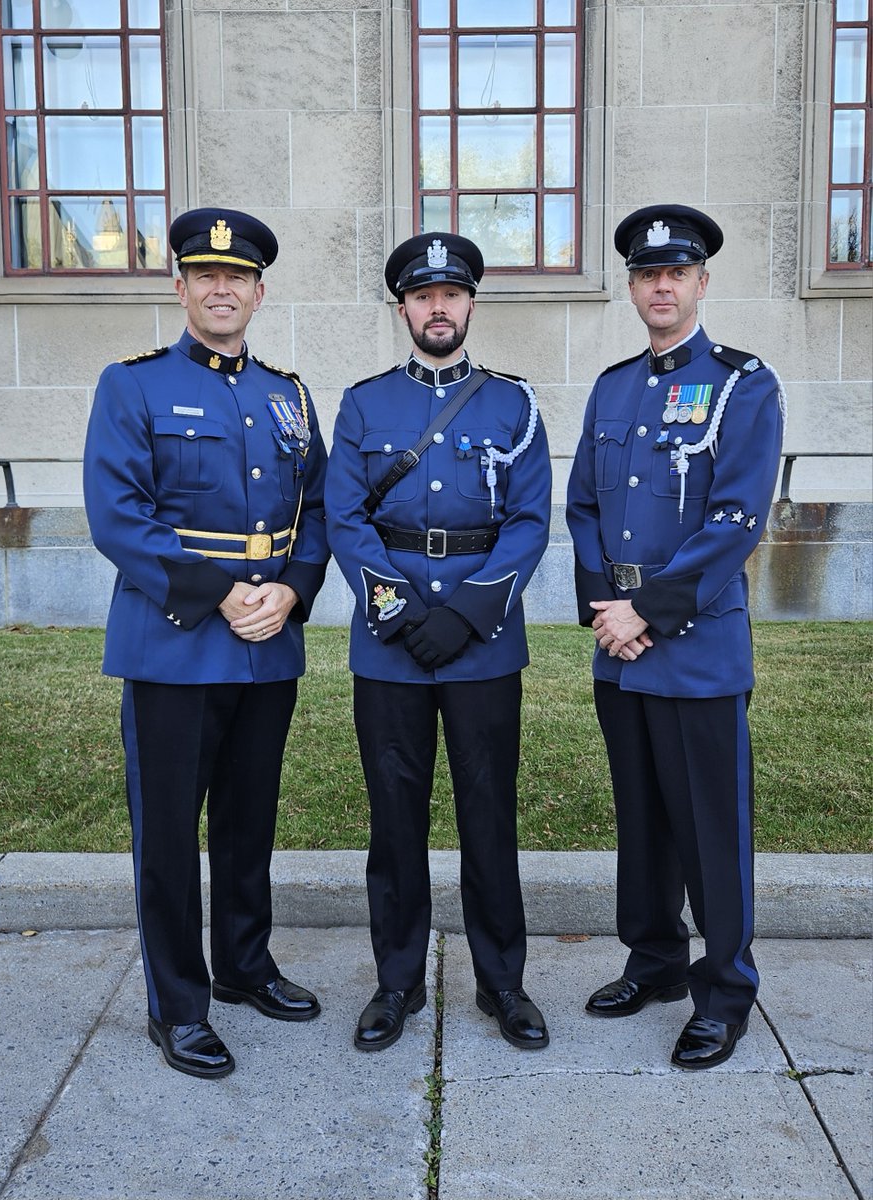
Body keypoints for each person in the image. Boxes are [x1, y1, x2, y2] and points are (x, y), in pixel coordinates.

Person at [83, 208, 329, 1079]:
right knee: (167, 835)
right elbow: (118, 517)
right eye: (206, 276)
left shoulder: (289, 395)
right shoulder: (133, 385)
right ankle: (179, 1007)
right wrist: (223, 593)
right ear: (181, 287)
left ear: (260, 293)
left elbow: (317, 510)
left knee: (248, 821)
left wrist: (292, 591)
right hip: (175, 642)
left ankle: (245, 967)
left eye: (238, 278)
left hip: (267, 643)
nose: (222, 290)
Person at [566, 205, 786, 1069]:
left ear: (701, 283)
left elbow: (736, 519)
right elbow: (584, 505)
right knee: (643, 820)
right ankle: (654, 961)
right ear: (631, 288)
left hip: (693, 648)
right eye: (647, 274)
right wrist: (604, 609)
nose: (661, 287)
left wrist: (646, 612)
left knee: (709, 830)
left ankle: (724, 990)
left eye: (676, 273)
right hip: (618, 647)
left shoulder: (742, 385)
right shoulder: (614, 386)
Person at [325, 232, 552, 1051]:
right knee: (395, 819)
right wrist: (394, 610)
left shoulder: (513, 405)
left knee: (489, 813)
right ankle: (397, 982)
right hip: (389, 645)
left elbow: (529, 520)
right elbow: (344, 517)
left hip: (482, 641)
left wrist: (467, 613)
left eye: (451, 294)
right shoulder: (364, 404)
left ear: (470, 304)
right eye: (423, 296)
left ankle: (503, 982)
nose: (438, 307)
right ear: (404, 310)